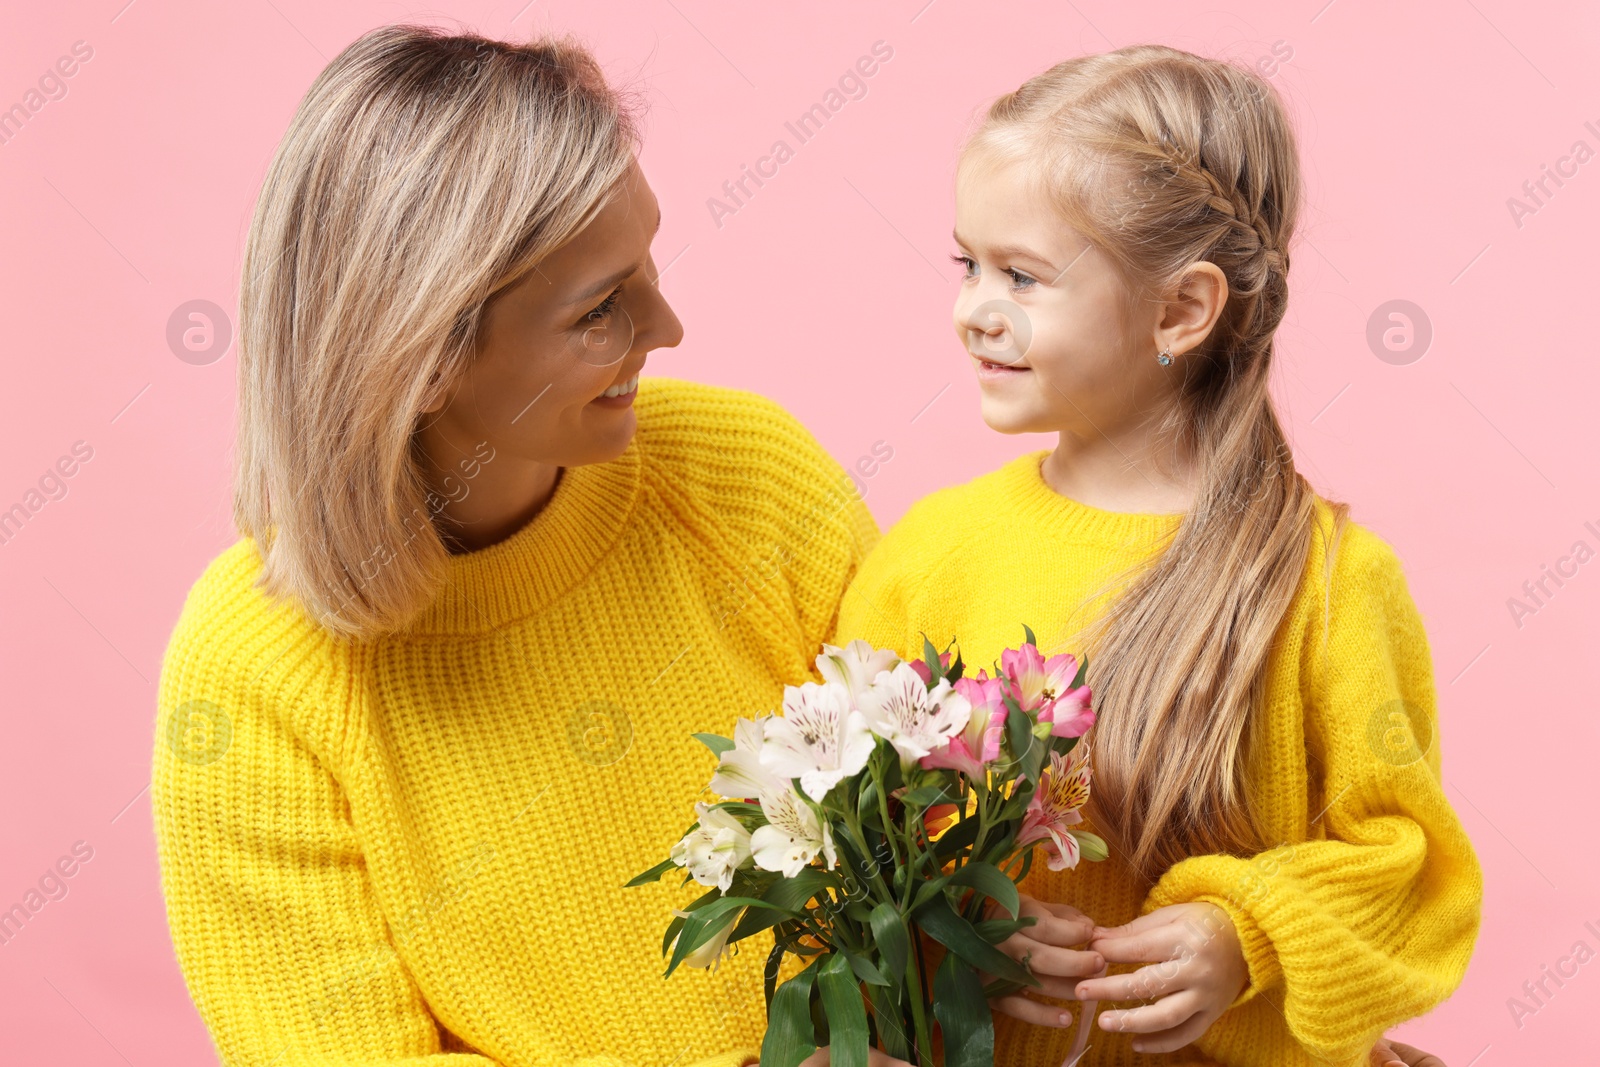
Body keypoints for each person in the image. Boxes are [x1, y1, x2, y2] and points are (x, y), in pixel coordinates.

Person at [151, 26, 878, 1067]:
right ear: (424, 355)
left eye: (647, 266)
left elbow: (934, 816)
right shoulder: (253, 670)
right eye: (598, 309)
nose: (665, 326)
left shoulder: (743, 477)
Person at [832, 44, 1482, 1066]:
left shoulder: (1329, 580)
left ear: (1180, 309)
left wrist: (1244, 932)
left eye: (1022, 275)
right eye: (968, 263)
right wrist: (954, 911)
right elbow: (851, 833)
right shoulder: (931, 552)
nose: (973, 308)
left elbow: (1413, 874)